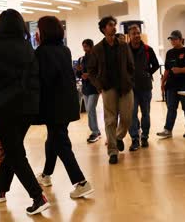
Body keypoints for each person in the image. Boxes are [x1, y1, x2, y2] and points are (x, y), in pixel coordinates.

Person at [0, 9, 49, 215]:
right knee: (13, 148)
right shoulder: (29, 49)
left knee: (15, 152)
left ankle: (38, 196)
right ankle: (0, 189)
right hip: (28, 107)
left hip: (3, 108)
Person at [34, 16, 94, 199]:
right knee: (53, 139)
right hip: (66, 104)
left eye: (38, 29)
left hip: (52, 106)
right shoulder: (64, 50)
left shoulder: (41, 53)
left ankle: (81, 182)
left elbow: (44, 81)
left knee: (60, 143)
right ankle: (46, 175)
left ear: (43, 32)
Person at [87, 16, 135, 165]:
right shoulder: (97, 49)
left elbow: (131, 66)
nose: (114, 27)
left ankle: (119, 137)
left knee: (127, 118)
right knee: (110, 120)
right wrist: (99, 86)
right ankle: (113, 151)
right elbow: (91, 70)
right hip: (108, 88)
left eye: (114, 25)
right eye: (110, 25)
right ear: (103, 29)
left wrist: (129, 79)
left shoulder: (123, 45)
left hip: (125, 87)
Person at [127, 24, 160, 151]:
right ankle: (135, 138)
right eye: (134, 33)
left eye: (138, 33)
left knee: (145, 113)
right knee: (132, 114)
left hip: (145, 87)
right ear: (129, 36)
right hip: (130, 88)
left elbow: (156, 65)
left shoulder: (147, 49)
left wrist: (148, 73)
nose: (136, 35)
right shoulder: (125, 50)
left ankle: (145, 136)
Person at [76, 39, 102, 143]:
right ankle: (96, 131)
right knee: (88, 110)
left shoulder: (96, 58)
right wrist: (78, 71)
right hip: (85, 88)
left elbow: (99, 72)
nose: (84, 48)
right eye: (83, 46)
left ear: (91, 46)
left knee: (91, 108)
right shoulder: (81, 59)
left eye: (86, 46)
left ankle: (95, 132)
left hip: (94, 88)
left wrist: (89, 75)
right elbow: (78, 75)